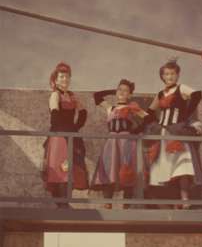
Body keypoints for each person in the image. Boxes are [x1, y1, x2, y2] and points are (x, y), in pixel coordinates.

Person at [147, 58, 202, 209]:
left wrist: (186, 115)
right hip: (164, 134)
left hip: (177, 131)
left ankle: (185, 199)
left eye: (172, 73)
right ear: (163, 76)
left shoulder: (182, 88)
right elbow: (150, 111)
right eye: (167, 74)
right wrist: (156, 123)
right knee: (168, 167)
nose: (170, 76)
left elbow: (197, 94)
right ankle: (176, 202)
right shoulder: (160, 94)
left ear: (177, 75)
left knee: (182, 167)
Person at [91, 79, 153, 209]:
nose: (121, 92)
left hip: (127, 144)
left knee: (127, 172)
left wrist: (134, 131)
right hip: (111, 143)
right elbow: (97, 95)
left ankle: (126, 207)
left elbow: (149, 118)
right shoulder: (110, 108)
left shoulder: (132, 108)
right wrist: (113, 91)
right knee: (109, 170)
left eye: (125, 91)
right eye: (120, 89)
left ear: (130, 95)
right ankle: (108, 206)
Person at [43, 62, 89, 208]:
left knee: (70, 168)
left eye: (67, 77)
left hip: (70, 134)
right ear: (56, 80)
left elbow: (83, 112)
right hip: (59, 135)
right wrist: (60, 134)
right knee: (60, 167)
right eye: (62, 77)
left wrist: (75, 128)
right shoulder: (55, 95)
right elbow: (54, 114)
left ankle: (64, 202)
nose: (65, 79)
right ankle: (61, 203)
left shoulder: (72, 96)